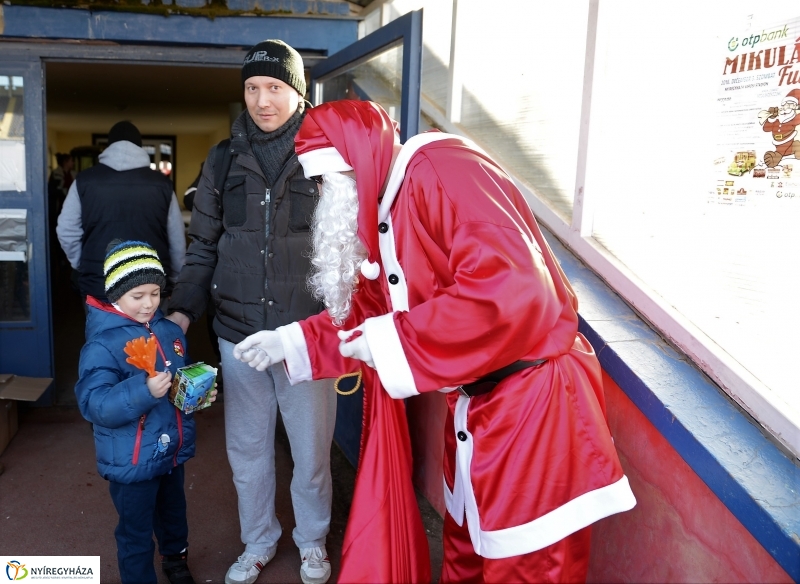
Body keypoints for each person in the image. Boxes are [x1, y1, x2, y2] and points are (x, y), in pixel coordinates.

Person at [233, 100, 638, 583]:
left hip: (533, 412)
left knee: (527, 569)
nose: (323, 196)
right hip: (478, 413)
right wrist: (292, 340)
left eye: (328, 180)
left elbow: (511, 291)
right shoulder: (393, 205)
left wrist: (388, 340)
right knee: (466, 554)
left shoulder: (442, 169)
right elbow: (373, 312)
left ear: (358, 162)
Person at [166, 40, 336, 584]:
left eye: (275, 87)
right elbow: (202, 245)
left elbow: (348, 252)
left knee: (310, 455)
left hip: (304, 337)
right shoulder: (221, 159)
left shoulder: (328, 159)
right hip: (237, 334)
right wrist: (182, 313)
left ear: (297, 91)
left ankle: (312, 542)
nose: (263, 100)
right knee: (247, 452)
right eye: (252, 88)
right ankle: (259, 541)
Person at [75, 240, 217, 584]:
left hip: (169, 450)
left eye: (155, 293)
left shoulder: (169, 331)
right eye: (137, 296)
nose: (149, 303)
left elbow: (176, 384)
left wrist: (194, 394)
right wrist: (142, 391)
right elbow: (94, 403)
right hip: (132, 460)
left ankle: (176, 561)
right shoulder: (101, 345)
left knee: (173, 515)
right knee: (135, 530)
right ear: (115, 294)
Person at [56, 121, 186, 304]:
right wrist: (174, 279)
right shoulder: (162, 185)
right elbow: (177, 240)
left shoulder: (84, 181)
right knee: (148, 334)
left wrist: (83, 265)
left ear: (109, 147)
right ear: (140, 147)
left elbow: (66, 230)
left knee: (103, 333)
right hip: (149, 286)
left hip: (99, 286)